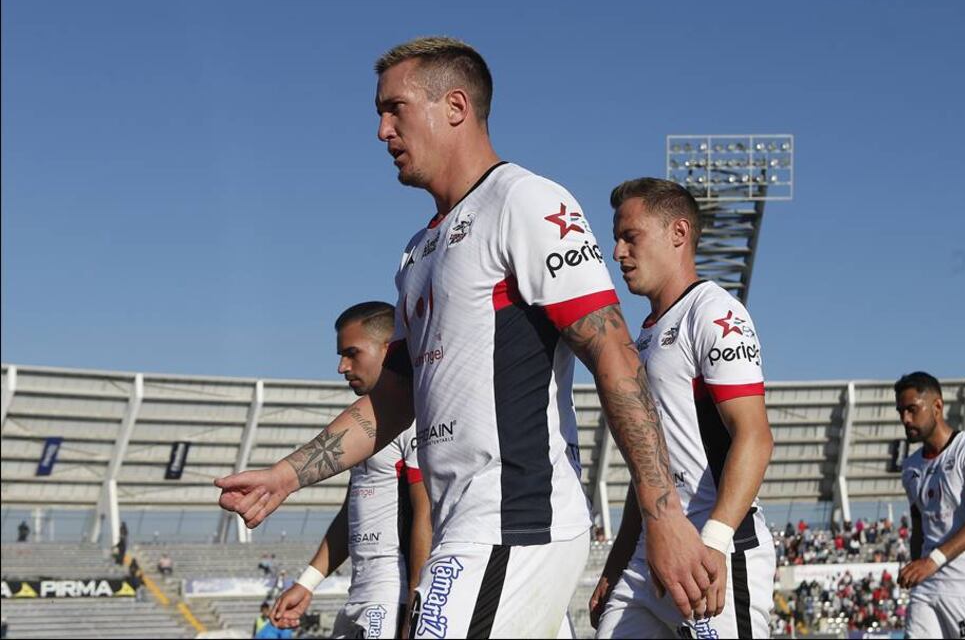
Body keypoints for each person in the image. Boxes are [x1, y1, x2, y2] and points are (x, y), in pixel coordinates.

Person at [217, 36, 716, 637]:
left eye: (394, 107)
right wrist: (287, 475)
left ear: (455, 107)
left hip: (515, 519)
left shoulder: (525, 201)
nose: (381, 130)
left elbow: (613, 353)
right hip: (468, 529)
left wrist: (663, 516)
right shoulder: (416, 253)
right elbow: (392, 401)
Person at [590, 178, 776, 638]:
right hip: (648, 554)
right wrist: (617, 559)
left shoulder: (712, 313)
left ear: (677, 233)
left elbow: (755, 436)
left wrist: (714, 542)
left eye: (630, 236)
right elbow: (649, 466)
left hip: (710, 552)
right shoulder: (646, 334)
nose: (617, 253)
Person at [270, 302, 431, 639]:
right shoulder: (366, 427)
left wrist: (414, 620)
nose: (342, 366)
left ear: (389, 349)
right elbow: (352, 512)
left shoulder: (415, 418)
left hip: (395, 600)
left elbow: (425, 516)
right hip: (362, 595)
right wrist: (308, 582)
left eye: (352, 353)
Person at [895, 371, 965, 639]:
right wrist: (916, 565)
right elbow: (919, 525)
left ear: (937, 406)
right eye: (901, 411)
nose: (905, 419)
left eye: (912, 409)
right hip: (927, 588)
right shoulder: (911, 468)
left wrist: (931, 561)